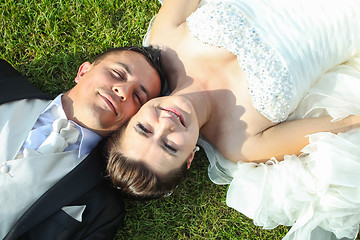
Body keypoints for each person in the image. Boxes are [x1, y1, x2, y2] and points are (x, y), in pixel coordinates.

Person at [106, 0, 360, 239]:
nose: (166, 125)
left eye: (145, 128)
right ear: (189, 158)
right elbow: (343, 122)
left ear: (134, 115)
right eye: (169, 146)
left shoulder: (165, 42)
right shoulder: (243, 143)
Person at [0, 45, 166, 240]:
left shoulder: (103, 211)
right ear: (83, 71)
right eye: (118, 74)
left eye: (138, 97)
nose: (122, 91)